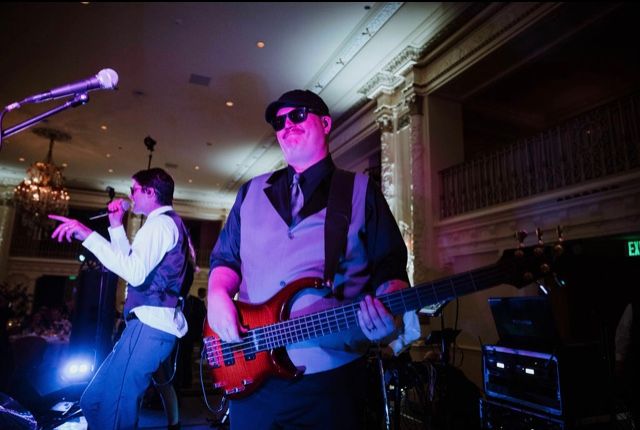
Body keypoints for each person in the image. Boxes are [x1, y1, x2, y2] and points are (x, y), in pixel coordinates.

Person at [207, 89, 412, 429]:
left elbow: (389, 265)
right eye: (279, 122)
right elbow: (225, 260)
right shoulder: (250, 191)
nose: (287, 125)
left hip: (330, 380)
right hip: (252, 375)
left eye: (298, 115)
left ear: (326, 123)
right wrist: (216, 296)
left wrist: (389, 307)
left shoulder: (361, 190)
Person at [49, 167, 190, 430]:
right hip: (145, 327)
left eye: (134, 189)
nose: (130, 195)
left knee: (113, 412)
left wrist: (87, 234)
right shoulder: (165, 223)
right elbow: (131, 266)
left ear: (150, 192)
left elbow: (134, 274)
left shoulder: (159, 224)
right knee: (93, 401)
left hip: (149, 327)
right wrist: (115, 226)